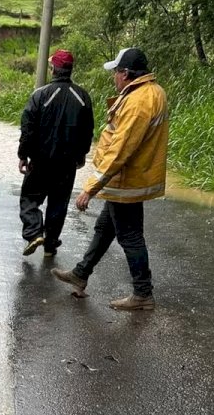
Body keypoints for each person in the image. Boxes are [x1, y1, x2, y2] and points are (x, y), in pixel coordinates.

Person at [51, 47, 168, 311]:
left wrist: (90, 188)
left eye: (116, 72)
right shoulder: (152, 92)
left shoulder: (138, 102)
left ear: (126, 73)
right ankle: (81, 273)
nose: (114, 76)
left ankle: (142, 294)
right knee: (105, 227)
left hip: (126, 180)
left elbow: (120, 150)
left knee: (130, 236)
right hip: (131, 178)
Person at [18, 50, 94, 258]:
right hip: (67, 163)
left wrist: (23, 155)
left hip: (41, 160)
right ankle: (50, 246)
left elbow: (28, 128)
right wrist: (81, 156)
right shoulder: (83, 97)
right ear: (70, 70)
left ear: (53, 69)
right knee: (58, 203)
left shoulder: (40, 95)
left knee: (29, 199)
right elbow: (88, 132)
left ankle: (34, 233)